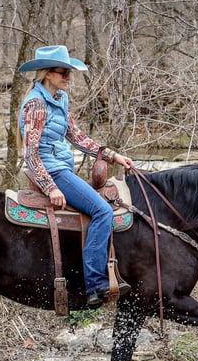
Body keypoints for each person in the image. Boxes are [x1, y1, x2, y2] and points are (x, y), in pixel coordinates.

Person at [18, 45, 133, 308]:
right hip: (53, 170)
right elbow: (31, 154)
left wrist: (112, 156)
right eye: (63, 73)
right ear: (47, 74)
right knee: (102, 211)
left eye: (69, 73)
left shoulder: (59, 99)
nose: (68, 78)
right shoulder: (36, 104)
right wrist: (51, 187)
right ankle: (95, 283)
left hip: (62, 168)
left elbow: (77, 138)